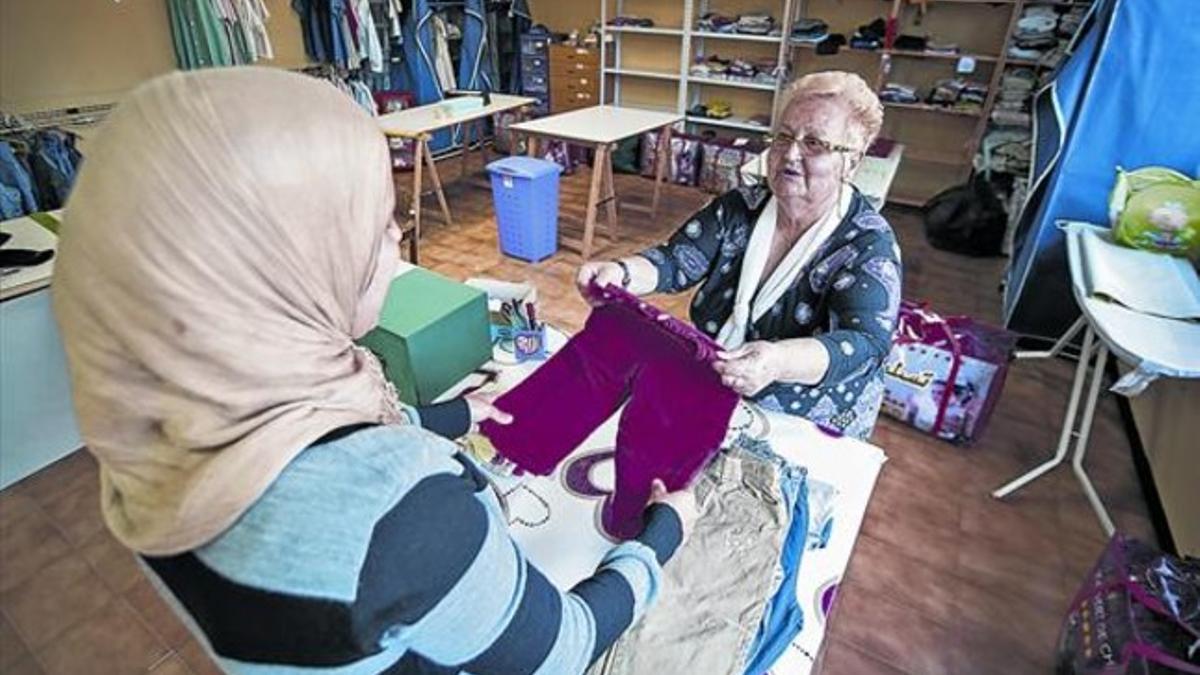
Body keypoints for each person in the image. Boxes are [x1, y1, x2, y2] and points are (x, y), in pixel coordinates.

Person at [53, 67, 696, 674]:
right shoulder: (404, 511)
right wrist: (661, 537)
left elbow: (315, 450)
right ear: (282, 262)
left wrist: (458, 413)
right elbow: (561, 650)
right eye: (367, 219)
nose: (396, 236)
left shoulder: (147, 431)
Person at [577, 71, 901, 440]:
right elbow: (676, 260)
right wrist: (621, 273)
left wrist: (777, 361)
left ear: (852, 161)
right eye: (783, 137)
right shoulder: (741, 206)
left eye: (814, 143)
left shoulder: (868, 244)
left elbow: (865, 345)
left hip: (808, 419)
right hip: (721, 388)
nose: (790, 154)